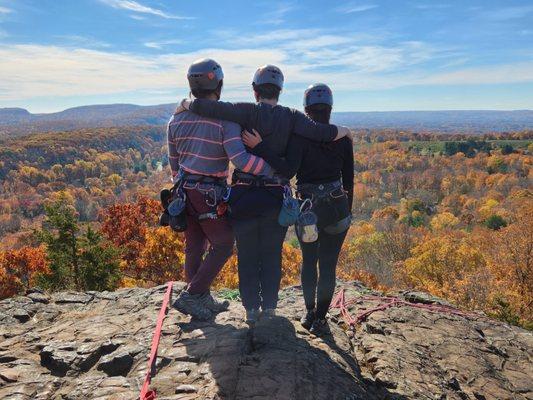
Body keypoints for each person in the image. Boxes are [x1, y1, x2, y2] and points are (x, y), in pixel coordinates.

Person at [178, 66, 352, 325]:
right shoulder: (292, 117)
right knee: (272, 255)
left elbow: (213, 108)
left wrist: (187, 103)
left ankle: (250, 311)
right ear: (280, 91)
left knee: (247, 255)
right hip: (275, 199)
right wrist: (344, 131)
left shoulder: (245, 111)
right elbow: (321, 133)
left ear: (254, 90)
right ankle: (270, 310)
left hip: (243, 197)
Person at [242, 83, 354, 335]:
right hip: (337, 208)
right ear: (330, 108)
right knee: (328, 266)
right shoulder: (343, 139)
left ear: (306, 109)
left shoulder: (300, 137)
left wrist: (260, 147)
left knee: (309, 261)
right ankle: (321, 319)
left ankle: (309, 312)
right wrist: (349, 211)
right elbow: (349, 179)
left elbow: (288, 170)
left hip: (308, 210)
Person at [168, 58, 274, 321]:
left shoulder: (176, 119)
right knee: (224, 244)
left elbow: (173, 161)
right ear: (220, 84)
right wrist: (270, 169)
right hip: (208, 193)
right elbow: (240, 160)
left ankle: (199, 300)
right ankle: (193, 295)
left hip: (184, 190)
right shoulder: (223, 121)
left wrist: (182, 184)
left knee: (194, 245)